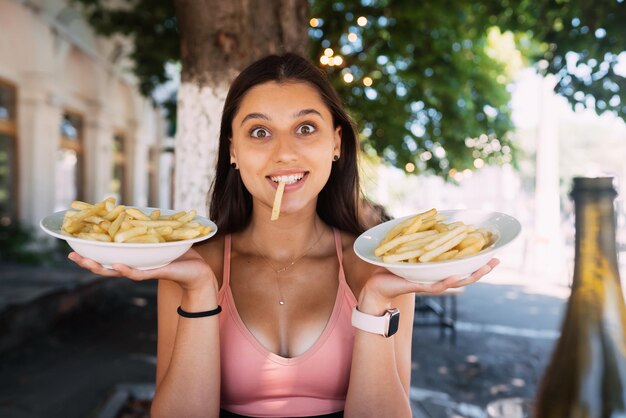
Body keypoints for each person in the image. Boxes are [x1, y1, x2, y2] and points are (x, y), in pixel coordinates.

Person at [69, 53, 499, 418]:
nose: (285, 152)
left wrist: (375, 302)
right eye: (259, 132)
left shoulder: (379, 266)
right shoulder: (192, 265)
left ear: (336, 143)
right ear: (233, 151)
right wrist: (200, 289)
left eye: (305, 128)